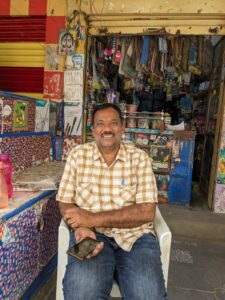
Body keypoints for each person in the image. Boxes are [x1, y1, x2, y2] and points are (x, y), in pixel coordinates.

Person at [57, 103, 166, 300]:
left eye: (113, 123)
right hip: (91, 236)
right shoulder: (77, 155)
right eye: (100, 123)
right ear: (93, 128)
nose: (107, 129)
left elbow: (146, 212)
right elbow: (65, 202)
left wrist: (91, 218)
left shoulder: (139, 159)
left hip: (136, 238)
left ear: (122, 127)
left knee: (148, 295)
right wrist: (82, 228)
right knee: (81, 293)